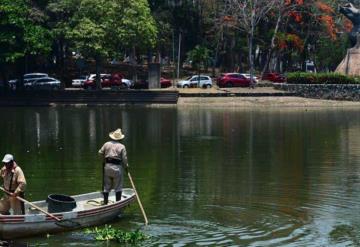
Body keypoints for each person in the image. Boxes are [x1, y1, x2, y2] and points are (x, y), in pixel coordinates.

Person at [98, 128, 129, 205]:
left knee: (106, 186)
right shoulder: (122, 146)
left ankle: (105, 203)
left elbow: (100, 153)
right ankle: (117, 204)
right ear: (120, 138)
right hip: (117, 168)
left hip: (107, 167)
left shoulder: (106, 144)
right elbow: (124, 159)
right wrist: (126, 166)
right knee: (118, 187)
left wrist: (104, 159)